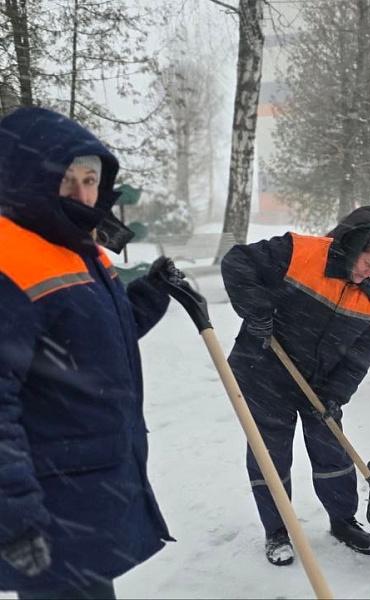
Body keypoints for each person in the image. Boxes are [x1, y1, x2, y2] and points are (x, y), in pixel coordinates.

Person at [0, 106, 183, 599]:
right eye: (67, 182)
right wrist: (12, 516)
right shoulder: (8, 262)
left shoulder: (73, 248)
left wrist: (149, 292)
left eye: (91, 180)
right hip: (47, 496)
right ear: (25, 180)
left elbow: (92, 344)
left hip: (82, 489)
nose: (84, 195)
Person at [220, 206, 370, 567]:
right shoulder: (298, 252)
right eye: (368, 263)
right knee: (270, 453)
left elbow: (363, 350)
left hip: (322, 382)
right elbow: (237, 262)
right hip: (265, 369)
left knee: (332, 449)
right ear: (352, 246)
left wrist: (336, 394)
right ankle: (277, 531)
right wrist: (257, 309)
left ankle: (343, 521)